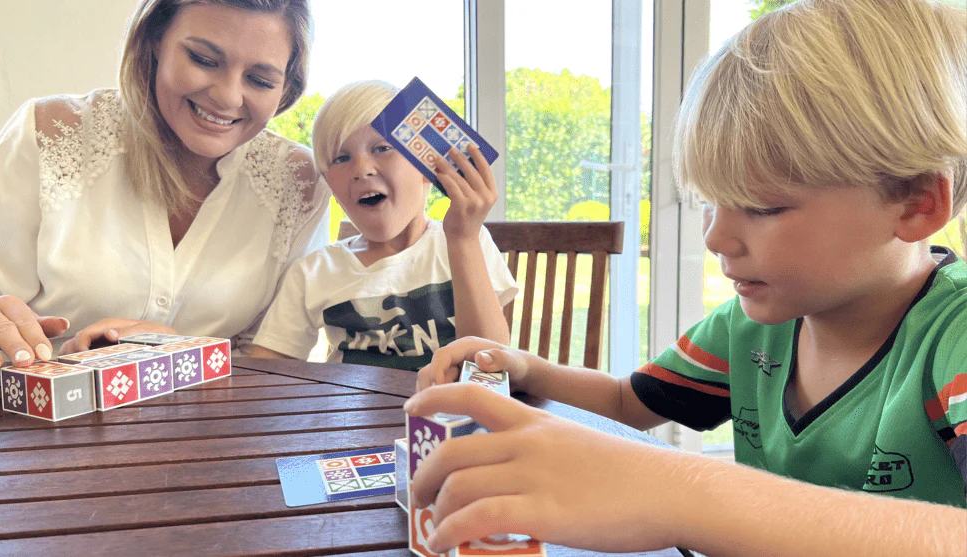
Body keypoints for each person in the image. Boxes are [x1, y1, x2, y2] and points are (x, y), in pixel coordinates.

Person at [410, 0, 967, 554]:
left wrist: (679, 491)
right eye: (711, 202)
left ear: (917, 203)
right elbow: (630, 402)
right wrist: (528, 368)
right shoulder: (747, 330)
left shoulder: (953, 338)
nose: (715, 239)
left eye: (764, 207)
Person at [0, 0, 330, 382]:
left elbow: (274, 366)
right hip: (25, 423)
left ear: (286, 87)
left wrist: (179, 353)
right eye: (204, 59)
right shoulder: (51, 132)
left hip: (210, 435)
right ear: (155, 39)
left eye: (260, 80)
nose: (227, 97)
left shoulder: (300, 181)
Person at [247, 80, 517, 370]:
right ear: (330, 186)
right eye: (341, 158)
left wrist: (463, 240)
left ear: (428, 168)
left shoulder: (466, 242)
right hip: (352, 414)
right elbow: (267, 369)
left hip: (447, 412)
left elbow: (489, 361)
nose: (362, 170)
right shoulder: (312, 273)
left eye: (382, 148)